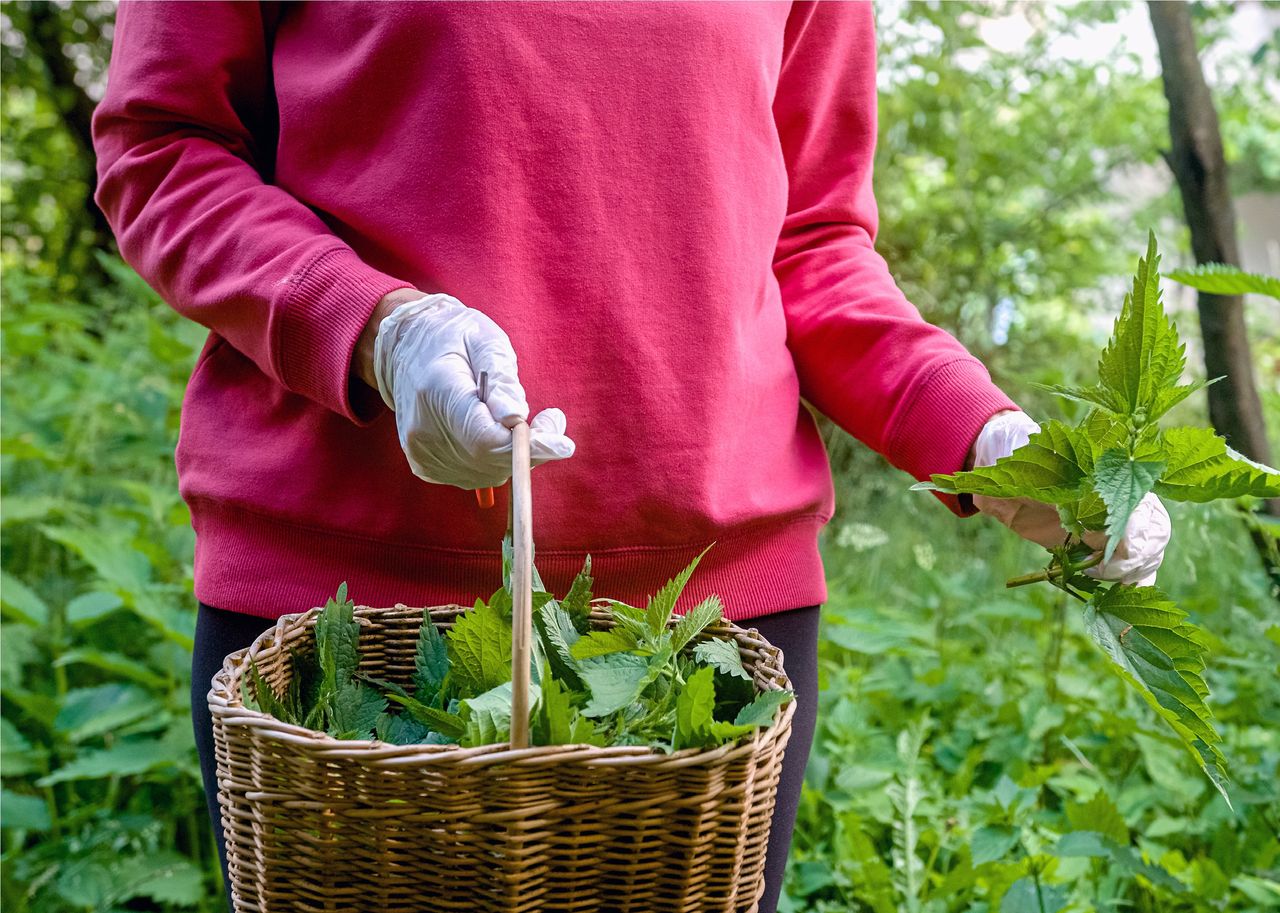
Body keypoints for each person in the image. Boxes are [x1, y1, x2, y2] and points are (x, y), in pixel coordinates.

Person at [90, 2, 1169, 911]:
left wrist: (983, 437)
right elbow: (160, 148)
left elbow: (811, 244)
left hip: (705, 631)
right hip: (349, 619)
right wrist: (375, 329)